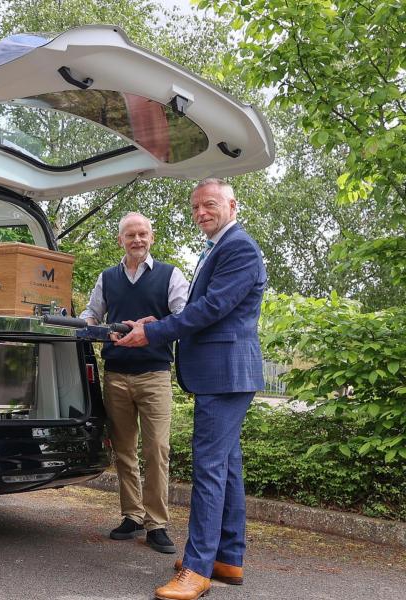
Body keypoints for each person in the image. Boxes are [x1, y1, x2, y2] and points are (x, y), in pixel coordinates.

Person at [115, 179, 267, 600]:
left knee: (209, 469)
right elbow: (200, 308)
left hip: (225, 375)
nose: (201, 212)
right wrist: (153, 323)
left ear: (232, 205)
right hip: (221, 374)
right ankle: (227, 558)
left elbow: (212, 308)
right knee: (227, 467)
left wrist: (155, 333)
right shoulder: (217, 247)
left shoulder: (238, 247)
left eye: (210, 204)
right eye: (196, 206)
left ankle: (198, 568)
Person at [81, 211, 188, 554]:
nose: (137, 240)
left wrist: (156, 325)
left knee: (156, 449)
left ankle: (157, 523)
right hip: (116, 375)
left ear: (151, 238)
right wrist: (89, 326)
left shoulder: (171, 275)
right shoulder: (107, 278)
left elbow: (185, 316)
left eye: (143, 234)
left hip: (154, 375)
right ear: (121, 241)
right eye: (131, 235)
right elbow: (90, 315)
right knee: (124, 451)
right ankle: (132, 515)